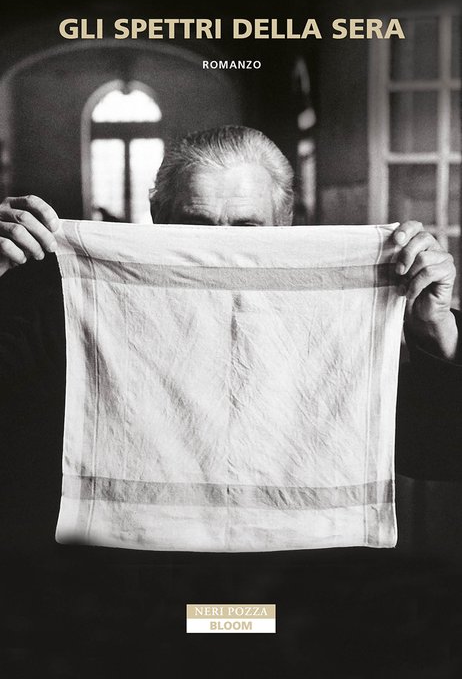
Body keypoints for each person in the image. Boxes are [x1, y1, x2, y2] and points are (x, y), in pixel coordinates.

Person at [0, 125, 461, 675]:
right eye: (195, 227)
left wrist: (436, 330)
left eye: (246, 228)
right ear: (158, 218)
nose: (222, 248)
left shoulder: (339, 320)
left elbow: (440, 452)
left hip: (293, 619)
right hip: (130, 622)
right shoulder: (70, 307)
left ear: (285, 225)